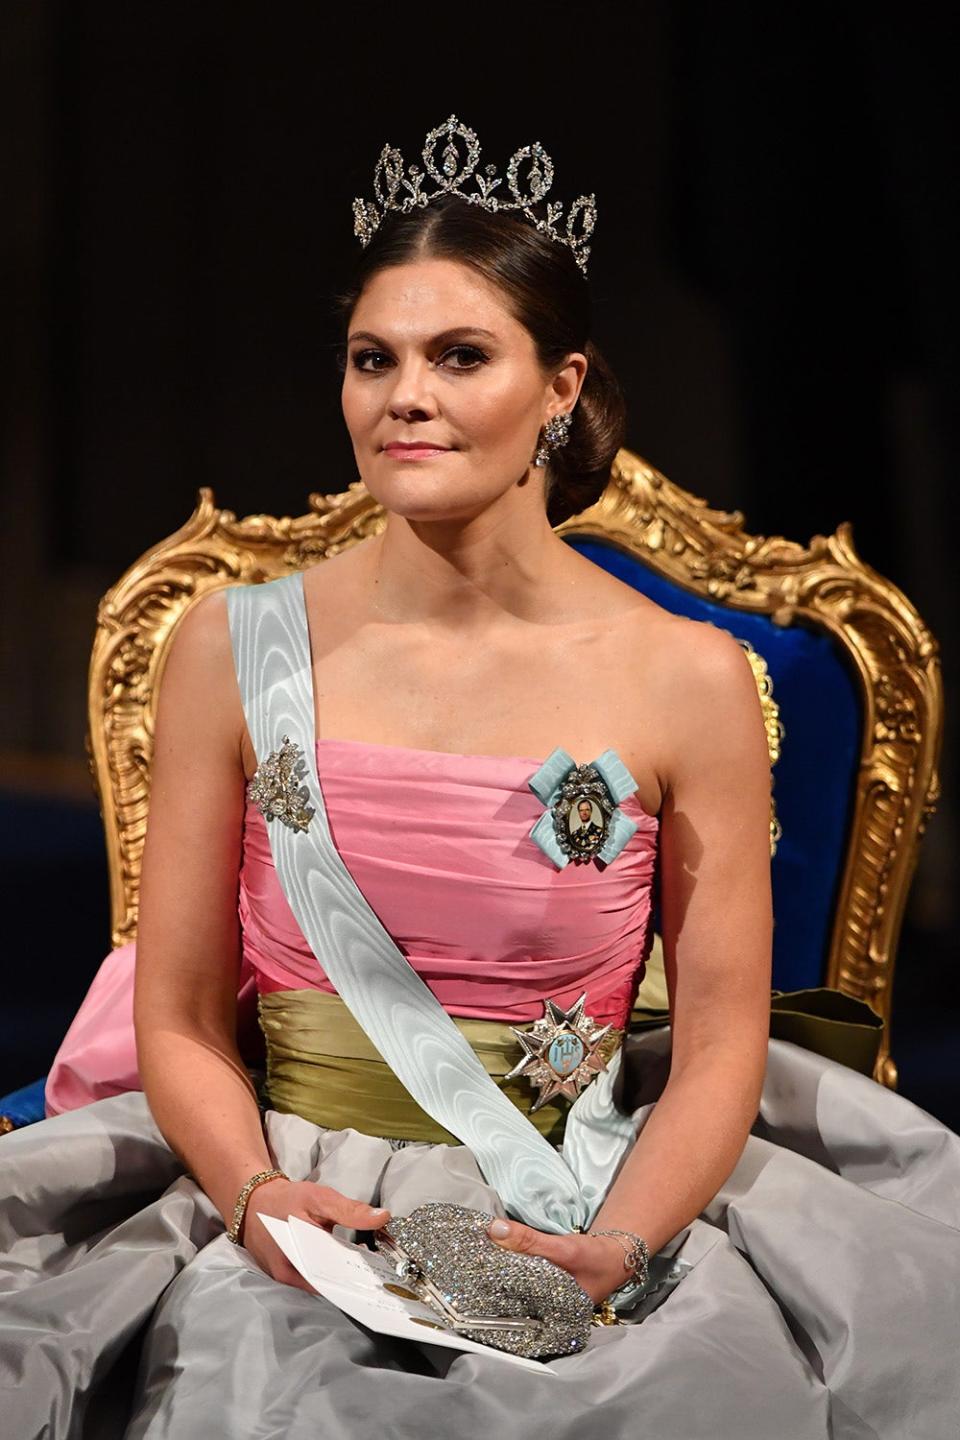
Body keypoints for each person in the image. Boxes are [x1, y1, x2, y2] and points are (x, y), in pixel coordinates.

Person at [2, 114, 959, 1440]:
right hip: (286, 1191)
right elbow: (172, 1013)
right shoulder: (230, 646)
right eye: (372, 360)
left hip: (596, 1189)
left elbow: (727, 1039)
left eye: (462, 356)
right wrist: (259, 1198)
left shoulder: (688, 681)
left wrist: (617, 1250)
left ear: (562, 386)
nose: (408, 396)